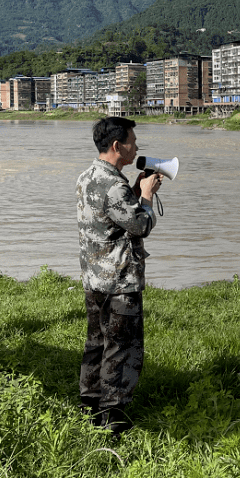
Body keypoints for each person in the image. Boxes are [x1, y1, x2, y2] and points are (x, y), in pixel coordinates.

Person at [77, 117, 161, 436]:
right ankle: (114, 419)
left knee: (96, 343)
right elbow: (141, 226)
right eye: (133, 141)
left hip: (94, 280)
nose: (136, 146)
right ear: (117, 146)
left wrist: (135, 190)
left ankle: (89, 406)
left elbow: (111, 224)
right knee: (121, 348)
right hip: (120, 284)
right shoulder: (114, 185)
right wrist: (148, 195)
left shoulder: (88, 176)